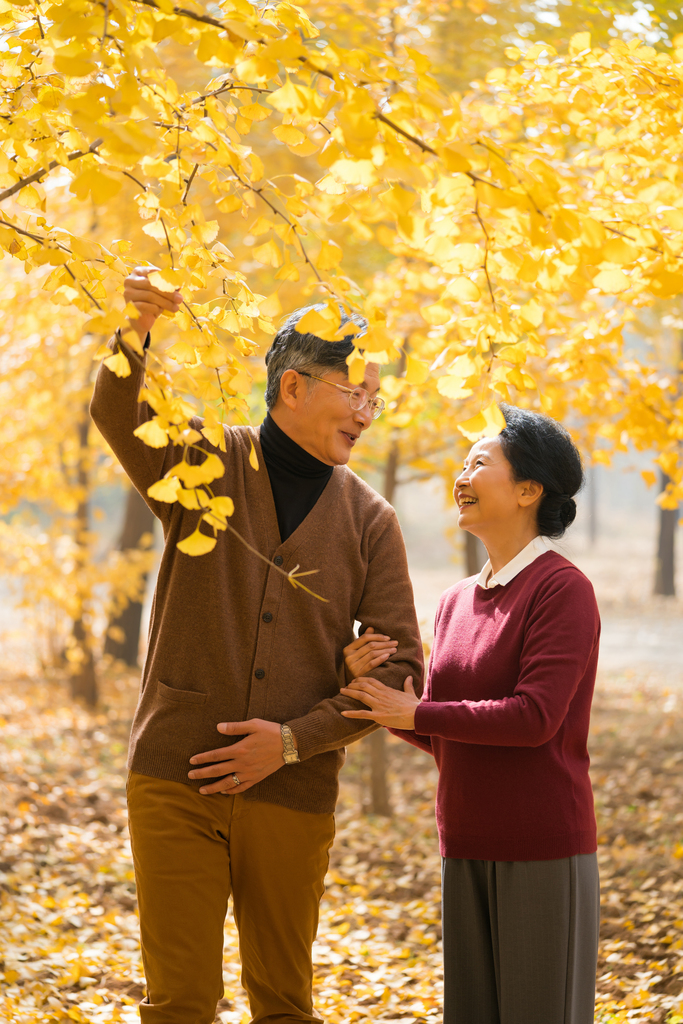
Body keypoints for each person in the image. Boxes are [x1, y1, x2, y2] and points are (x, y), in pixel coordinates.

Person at [90, 267, 423, 1024]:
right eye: (355, 390)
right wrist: (136, 330)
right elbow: (118, 409)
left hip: (294, 795)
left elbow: (402, 667)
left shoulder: (370, 521)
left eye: (376, 397)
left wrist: (295, 742)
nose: (367, 411)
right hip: (176, 774)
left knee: (283, 1004)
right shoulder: (203, 465)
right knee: (178, 1004)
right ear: (294, 386)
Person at [340, 405, 601, 1024]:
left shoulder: (562, 590)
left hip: (542, 848)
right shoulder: (457, 600)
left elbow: (534, 718)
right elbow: (442, 733)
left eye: (480, 463)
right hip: (463, 845)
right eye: (462, 462)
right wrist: (376, 695)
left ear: (529, 490)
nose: (462, 474)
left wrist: (419, 710)